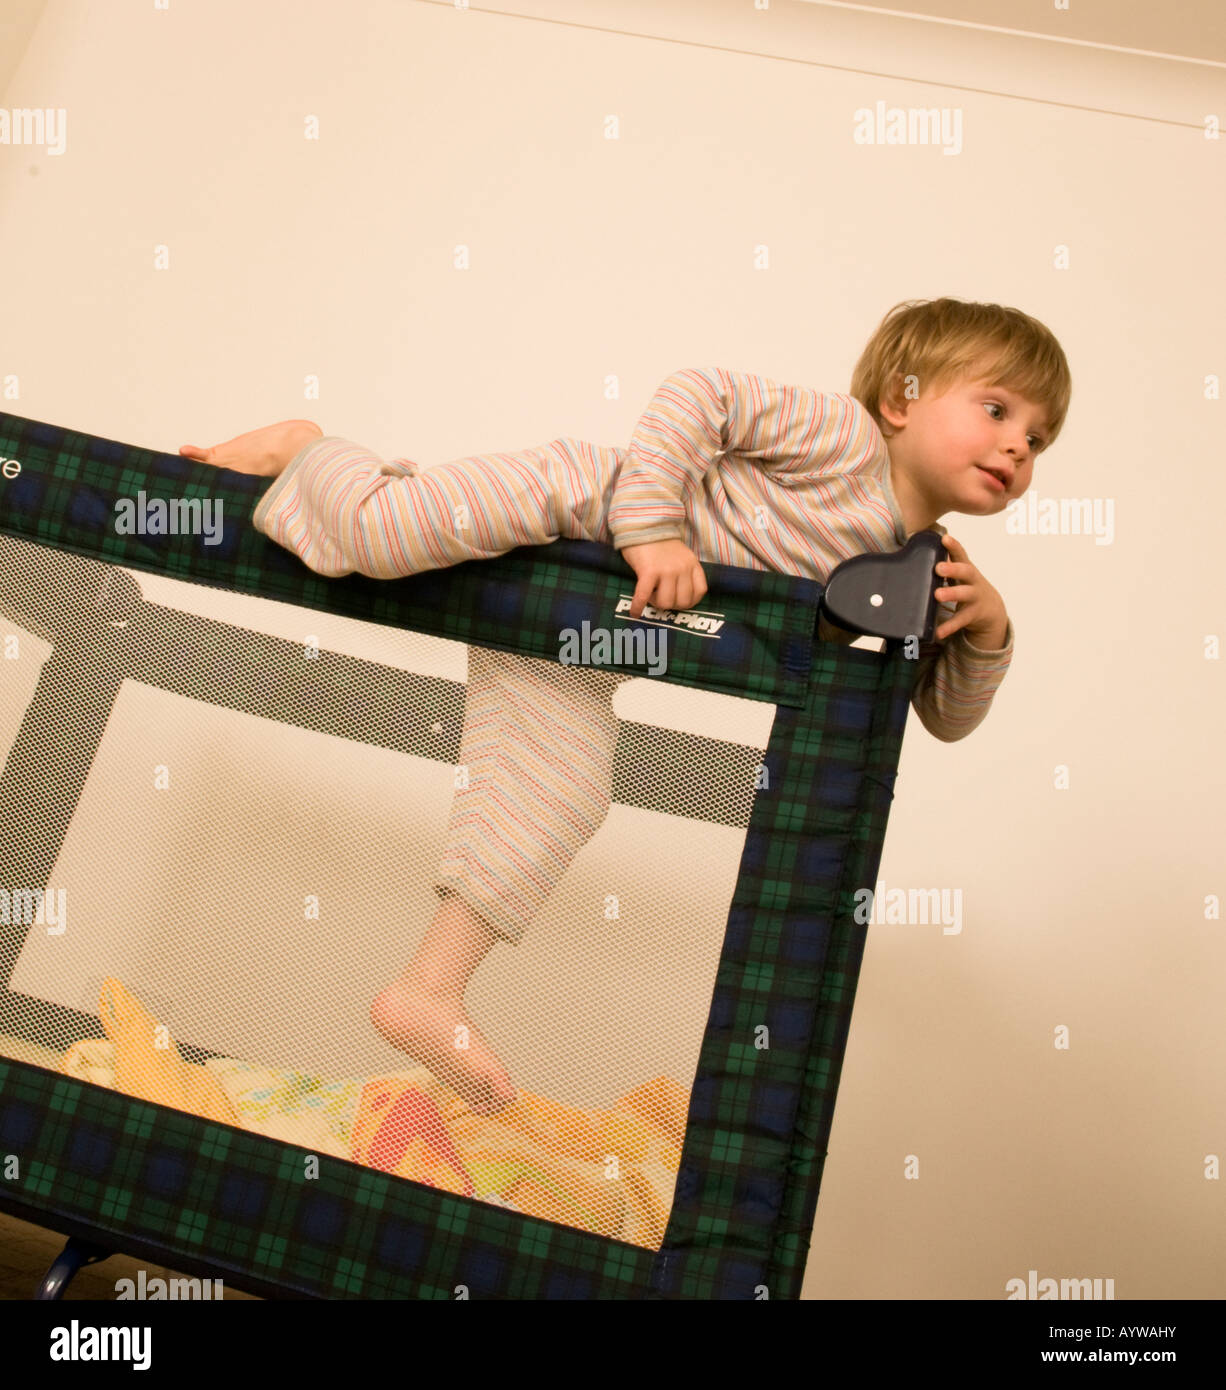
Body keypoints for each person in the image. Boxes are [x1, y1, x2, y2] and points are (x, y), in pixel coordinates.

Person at [180, 297, 1072, 1116]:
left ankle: (427, 989)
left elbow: (943, 716)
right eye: (997, 411)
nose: (1017, 447)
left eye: (1038, 438)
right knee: (377, 536)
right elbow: (698, 393)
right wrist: (654, 528)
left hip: (581, 635)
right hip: (575, 506)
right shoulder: (841, 436)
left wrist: (989, 629)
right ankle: (308, 451)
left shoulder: (919, 567)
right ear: (901, 400)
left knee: (565, 789)